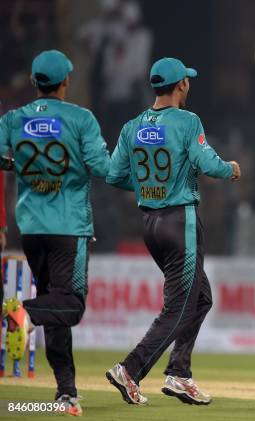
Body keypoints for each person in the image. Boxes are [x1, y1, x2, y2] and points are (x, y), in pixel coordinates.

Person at [105, 57, 241, 406]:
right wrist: (230, 168)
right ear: (181, 85)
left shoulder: (132, 126)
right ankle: (130, 369)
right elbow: (207, 162)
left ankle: (179, 373)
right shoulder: (187, 120)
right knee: (179, 307)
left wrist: (147, 186)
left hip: (150, 224)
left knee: (201, 299)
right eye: (187, 81)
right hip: (181, 221)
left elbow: (113, 174)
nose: (189, 85)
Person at [0, 49, 112, 416]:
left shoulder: (13, 119)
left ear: (35, 82)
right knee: (71, 305)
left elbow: (3, 158)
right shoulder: (81, 119)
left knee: (56, 306)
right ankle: (23, 313)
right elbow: (102, 166)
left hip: (31, 226)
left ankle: (66, 391)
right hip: (69, 226)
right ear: (67, 80)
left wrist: (22, 164)